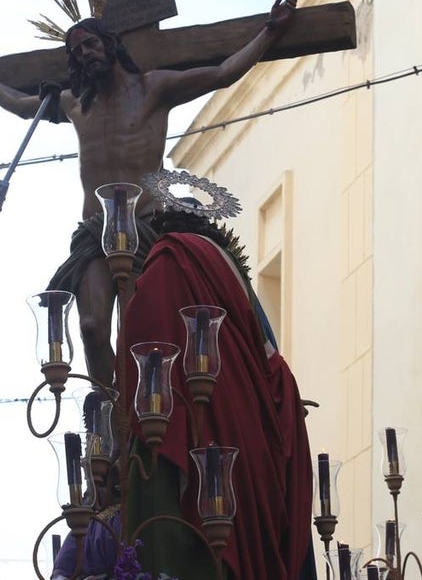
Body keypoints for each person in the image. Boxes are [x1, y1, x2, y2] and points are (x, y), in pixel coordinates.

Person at [0, 0, 296, 388]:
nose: (85, 54)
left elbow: (222, 73)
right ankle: (110, 408)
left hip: (145, 227)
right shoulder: (76, 104)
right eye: (76, 52)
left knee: (137, 330)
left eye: (91, 43)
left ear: (110, 45)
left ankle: (136, 409)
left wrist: (269, 32)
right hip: (95, 232)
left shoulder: (154, 88)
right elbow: (23, 105)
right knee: (92, 326)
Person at [120, 205, 315, 580]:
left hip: (185, 436)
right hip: (250, 446)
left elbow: (144, 336)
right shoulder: (235, 275)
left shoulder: (169, 258)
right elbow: (270, 364)